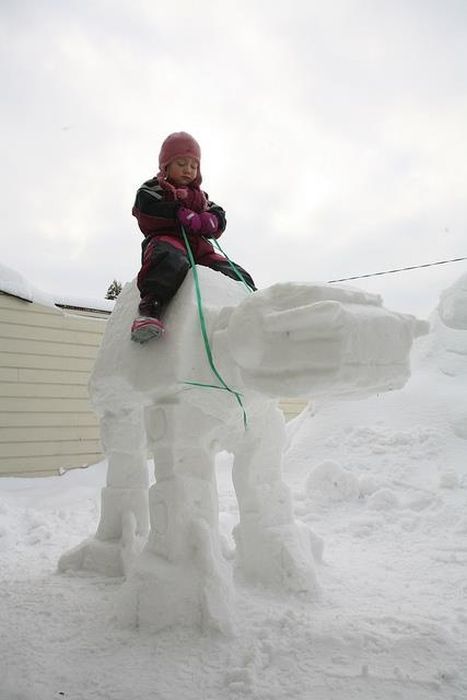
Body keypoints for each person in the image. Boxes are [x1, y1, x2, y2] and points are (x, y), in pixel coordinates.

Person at [130, 132, 256, 343]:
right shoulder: (154, 188)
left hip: (200, 247)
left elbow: (219, 212)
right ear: (166, 165)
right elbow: (145, 207)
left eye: (193, 165)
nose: (188, 169)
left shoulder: (201, 197)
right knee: (169, 260)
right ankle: (150, 309)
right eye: (181, 163)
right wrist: (176, 212)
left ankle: (253, 304)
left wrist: (212, 220)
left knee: (230, 270)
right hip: (167, 239)